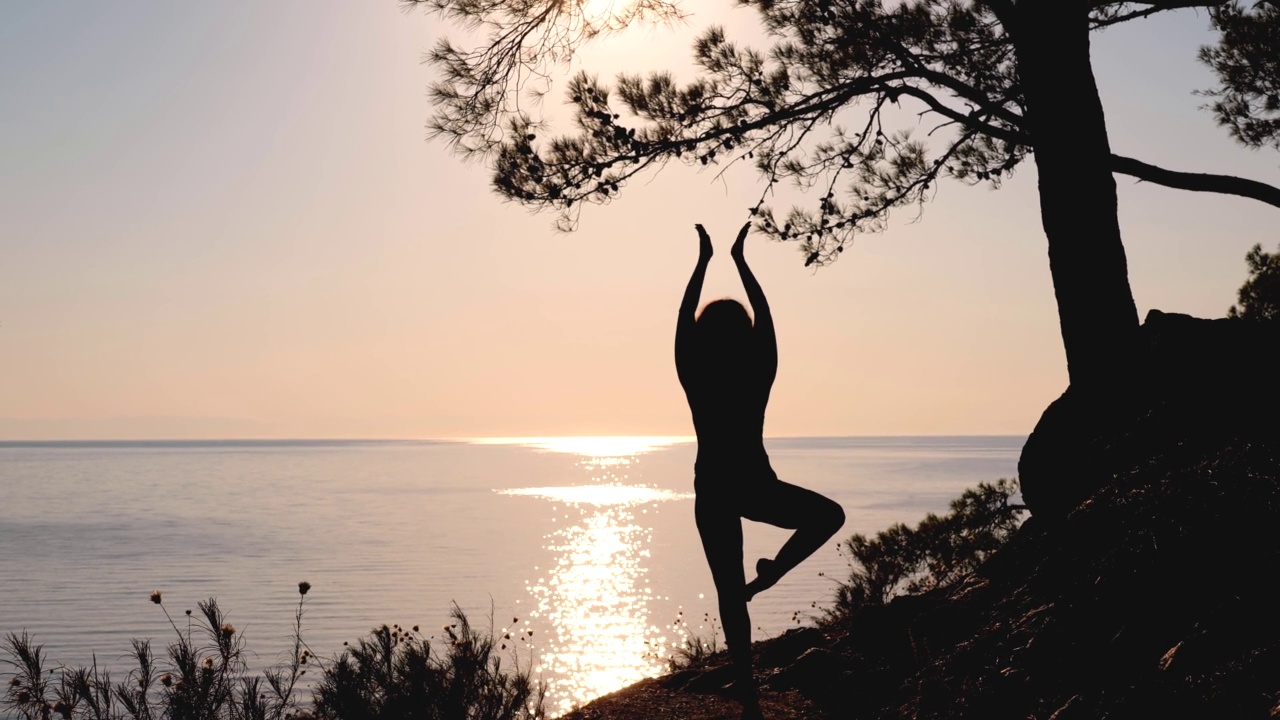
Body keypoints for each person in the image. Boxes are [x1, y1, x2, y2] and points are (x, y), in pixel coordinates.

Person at [675, 221, 846, 719]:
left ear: (704, 335)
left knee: (729, 591)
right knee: (827, 515)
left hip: (713, 489)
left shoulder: (695, 371)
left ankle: (747, 689)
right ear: (745, 333)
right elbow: (766, 316)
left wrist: (704, 263)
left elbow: (684, 317)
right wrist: (741, 263)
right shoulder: (756, 370)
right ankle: (771, 577)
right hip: (753, 485)